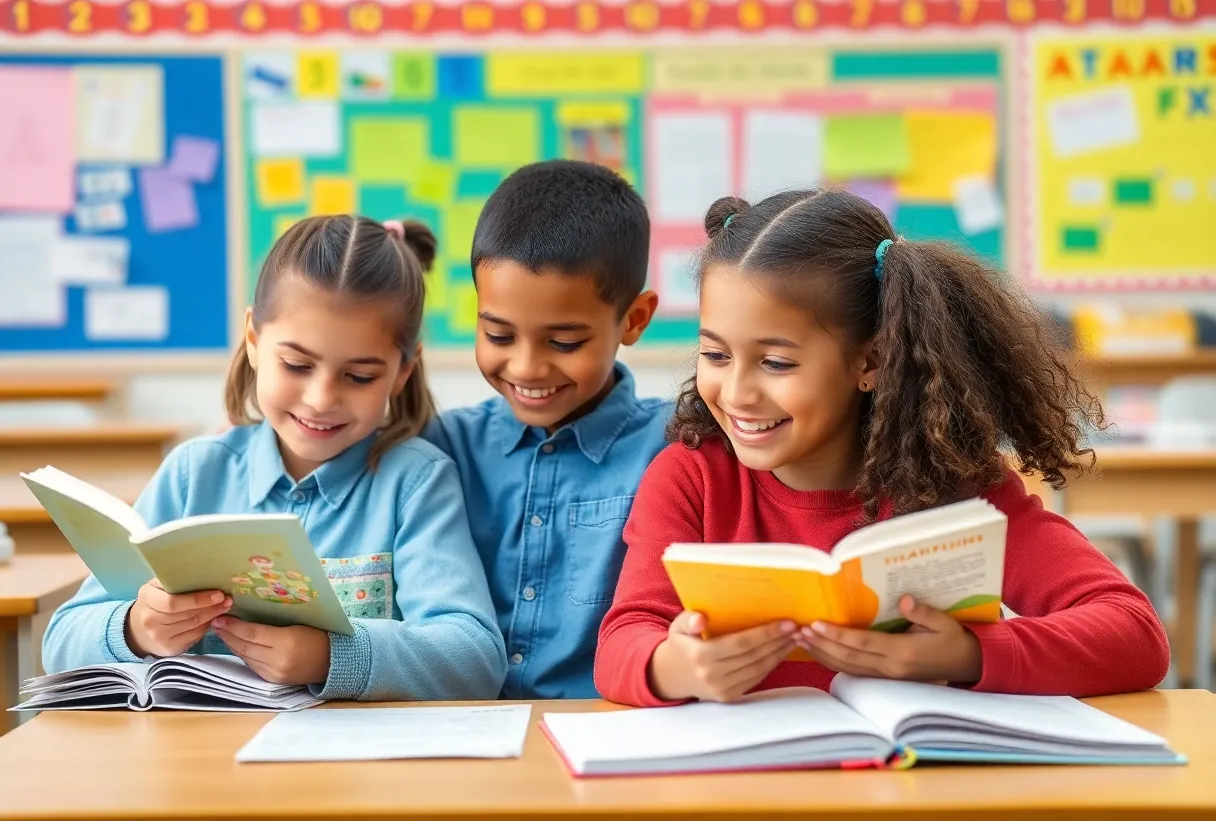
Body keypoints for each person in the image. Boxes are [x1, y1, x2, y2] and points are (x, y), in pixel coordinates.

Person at [594, 188, 1170, 706]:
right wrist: (674, 666)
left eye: (775, 363)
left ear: (868, 361)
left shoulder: (953, 482)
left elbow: (1135, 633)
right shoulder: (690, 478)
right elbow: (621, 643)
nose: (737, 392)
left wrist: (968, 653)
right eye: (716, 355)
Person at [43, 215, 507, 701]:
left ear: (402, 371)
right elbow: (61, 641)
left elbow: (474, 657)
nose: (321, 398)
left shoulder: (415, 483)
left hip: (358, 766)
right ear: (253, 340)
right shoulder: (194, 475)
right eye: (297, 365)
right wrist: (136, 627)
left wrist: (330, 656)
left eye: (360, 376)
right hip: (203, 765)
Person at [423, 160, 670, 699]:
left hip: (607, 735)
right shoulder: (442, 446)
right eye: (499, 334)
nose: (528, 368)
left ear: (634, 320)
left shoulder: (673, 447)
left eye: (563, 343)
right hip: (464, 735)